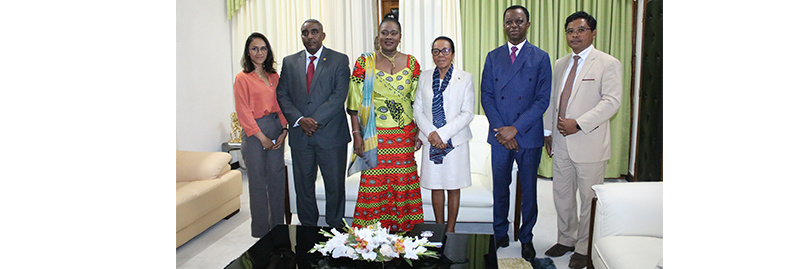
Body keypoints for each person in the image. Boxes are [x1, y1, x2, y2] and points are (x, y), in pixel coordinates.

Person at [542, 11, 622, 269]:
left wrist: (579, 123)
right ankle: (566, 239)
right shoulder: (560, 63)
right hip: (561, 141)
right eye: (570, 31)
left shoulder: (607, 63)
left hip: (589, 142)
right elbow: (553, 101)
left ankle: (584, 247)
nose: (574, 35)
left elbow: (611, 102)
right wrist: (548, 132)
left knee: (588, 199)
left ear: (593, 32)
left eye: (580, 30)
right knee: (562, 195)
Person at [479, 5, 551, 261]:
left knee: (530, 190)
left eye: (519, 21)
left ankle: (527, 237)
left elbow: (542, 100)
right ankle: (500, 231)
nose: (513, 25)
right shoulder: (492, 56)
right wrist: (502, 130)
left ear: (527, 25)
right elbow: (486, 96)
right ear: (504, 25)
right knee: (500, 186)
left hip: (528, 134)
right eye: (509, 21)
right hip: (500, 136)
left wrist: (515, 129)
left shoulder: (540, 57)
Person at [347, 13, 424, 231]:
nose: (388, 37)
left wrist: (419, 132)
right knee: (373, 184)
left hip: (404, 136)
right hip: (374, 136)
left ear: (400, 37)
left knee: (403, 182)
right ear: (378, 36)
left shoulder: (412, 63)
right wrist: (357, 135)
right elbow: (354, 102)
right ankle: (372, 235)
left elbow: (417, 102)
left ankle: (405, 232)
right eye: (384, 33)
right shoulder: (365, 62)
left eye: (393, 33)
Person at [276, 19, 351, 229]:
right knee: (303, 186)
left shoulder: (338, 60)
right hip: (301, 136)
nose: (309, 36)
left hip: (331, 136)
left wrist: (314, 121)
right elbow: (282, 95)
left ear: (323, 35)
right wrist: (300, 120)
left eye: (314, 32)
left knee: (335, 186)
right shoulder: (290, 62)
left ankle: (335, 228)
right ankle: (308, 229)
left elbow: (339, 96)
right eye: (305, 33)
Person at [413, 36, 474, 233]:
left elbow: (467, 113)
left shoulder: (465, 78)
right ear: (432, 54)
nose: (441, 55)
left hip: (454, 141)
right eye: (436, 51)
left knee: (453, 186)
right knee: (436, 185)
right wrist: (431, 134)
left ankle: (451, 229)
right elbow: (418, 110)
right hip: (431, 141)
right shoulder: (424, 76)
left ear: (453, 54)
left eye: (445, 50)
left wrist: (443, 134)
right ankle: (439, 228)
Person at [233, 32, 289, 237]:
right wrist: (261, 137)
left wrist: (284, 130)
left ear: (268, 51)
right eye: (254, 48)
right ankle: (261, 233)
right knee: (258, 182)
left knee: (276, 180)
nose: (259, 52)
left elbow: (281, 105)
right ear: (248, 52)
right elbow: (243, 111)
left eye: (263, 48)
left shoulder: (274, 76)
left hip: (276, 129)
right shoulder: (242, 78)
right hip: (255, 133)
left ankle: (278, 228)